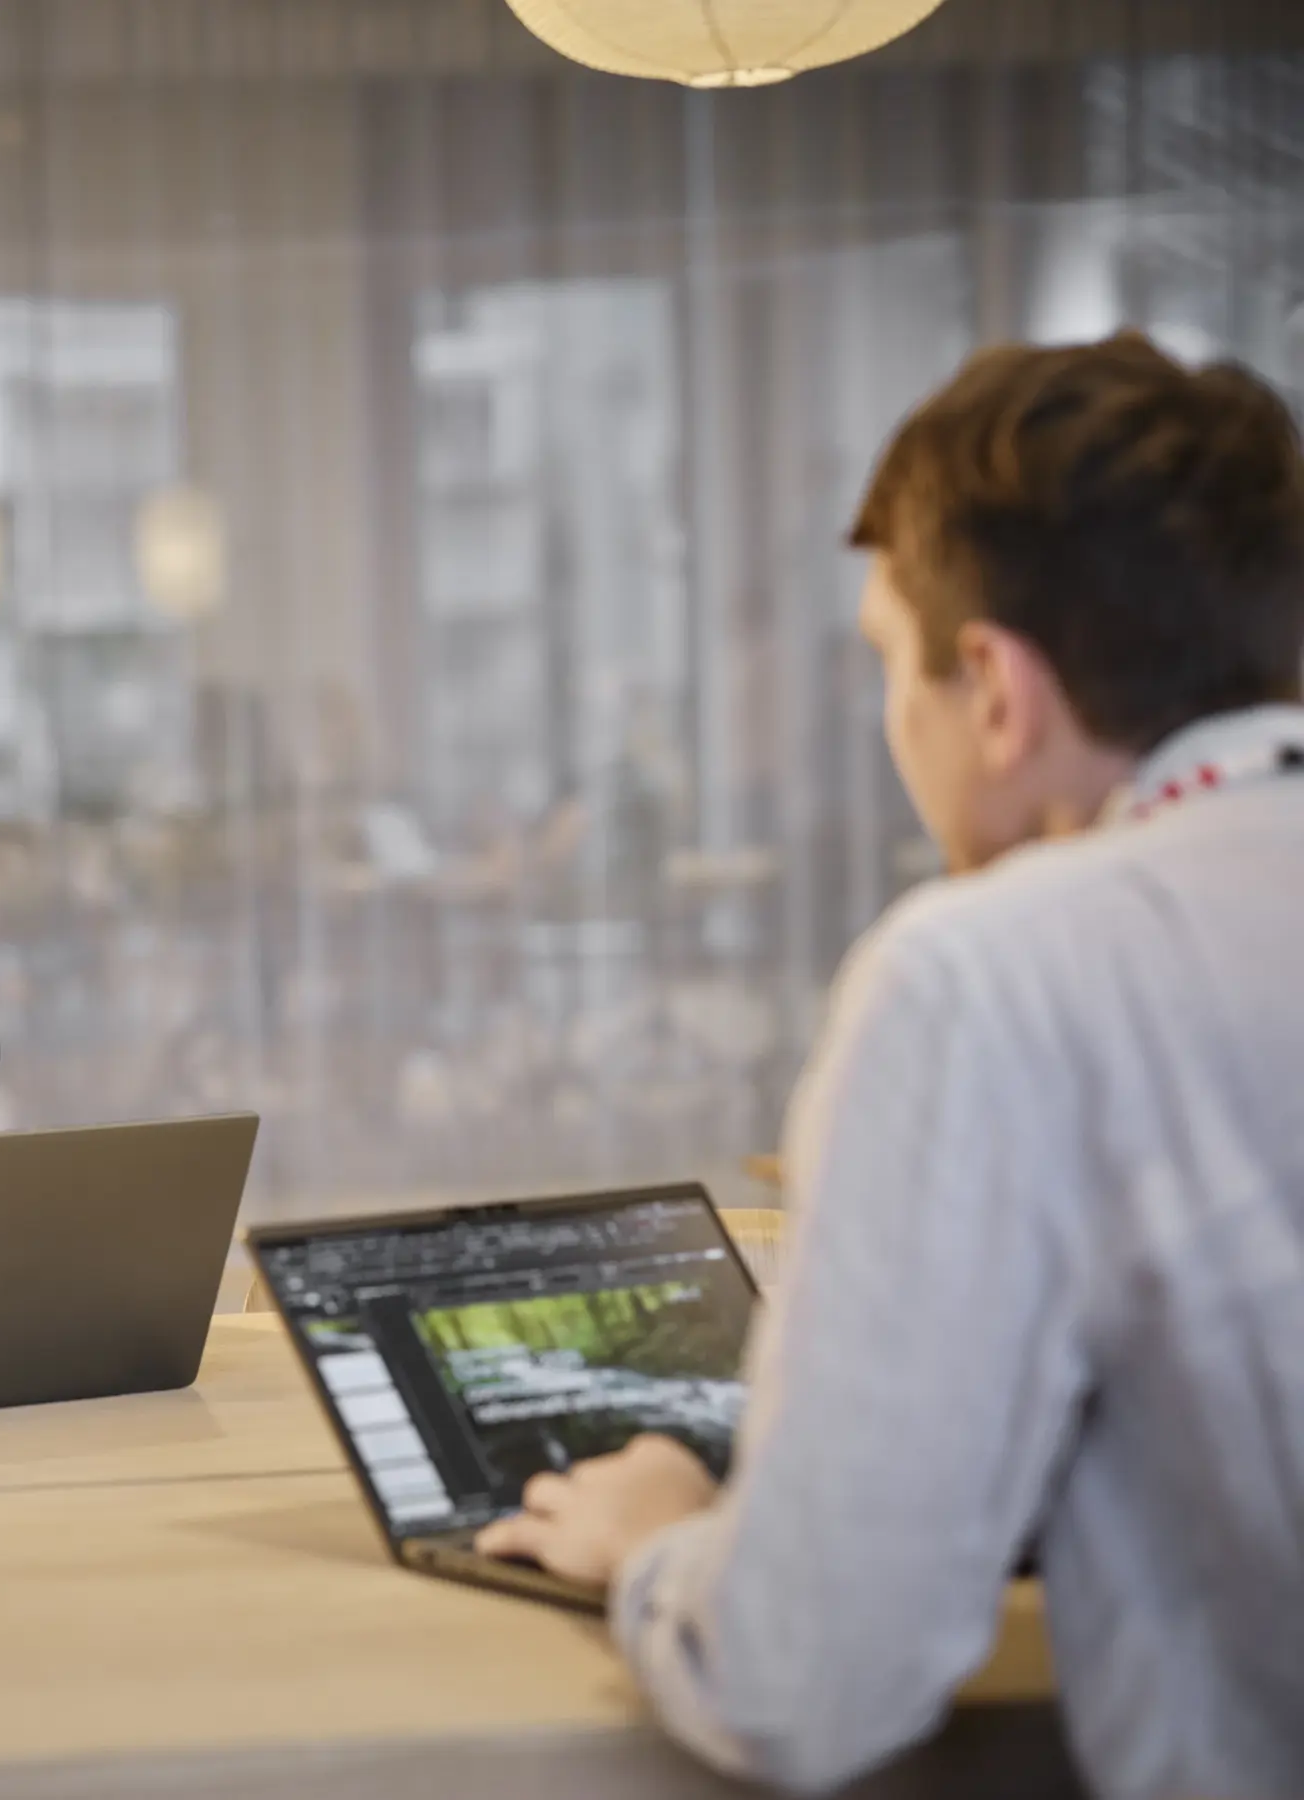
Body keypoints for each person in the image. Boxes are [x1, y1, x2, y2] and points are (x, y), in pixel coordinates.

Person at [475, 333, 1304, 1800]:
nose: (887, 723)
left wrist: (664, 1537)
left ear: (993, 690)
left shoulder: (994, 974)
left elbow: (809, 1683)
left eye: (883, 662)